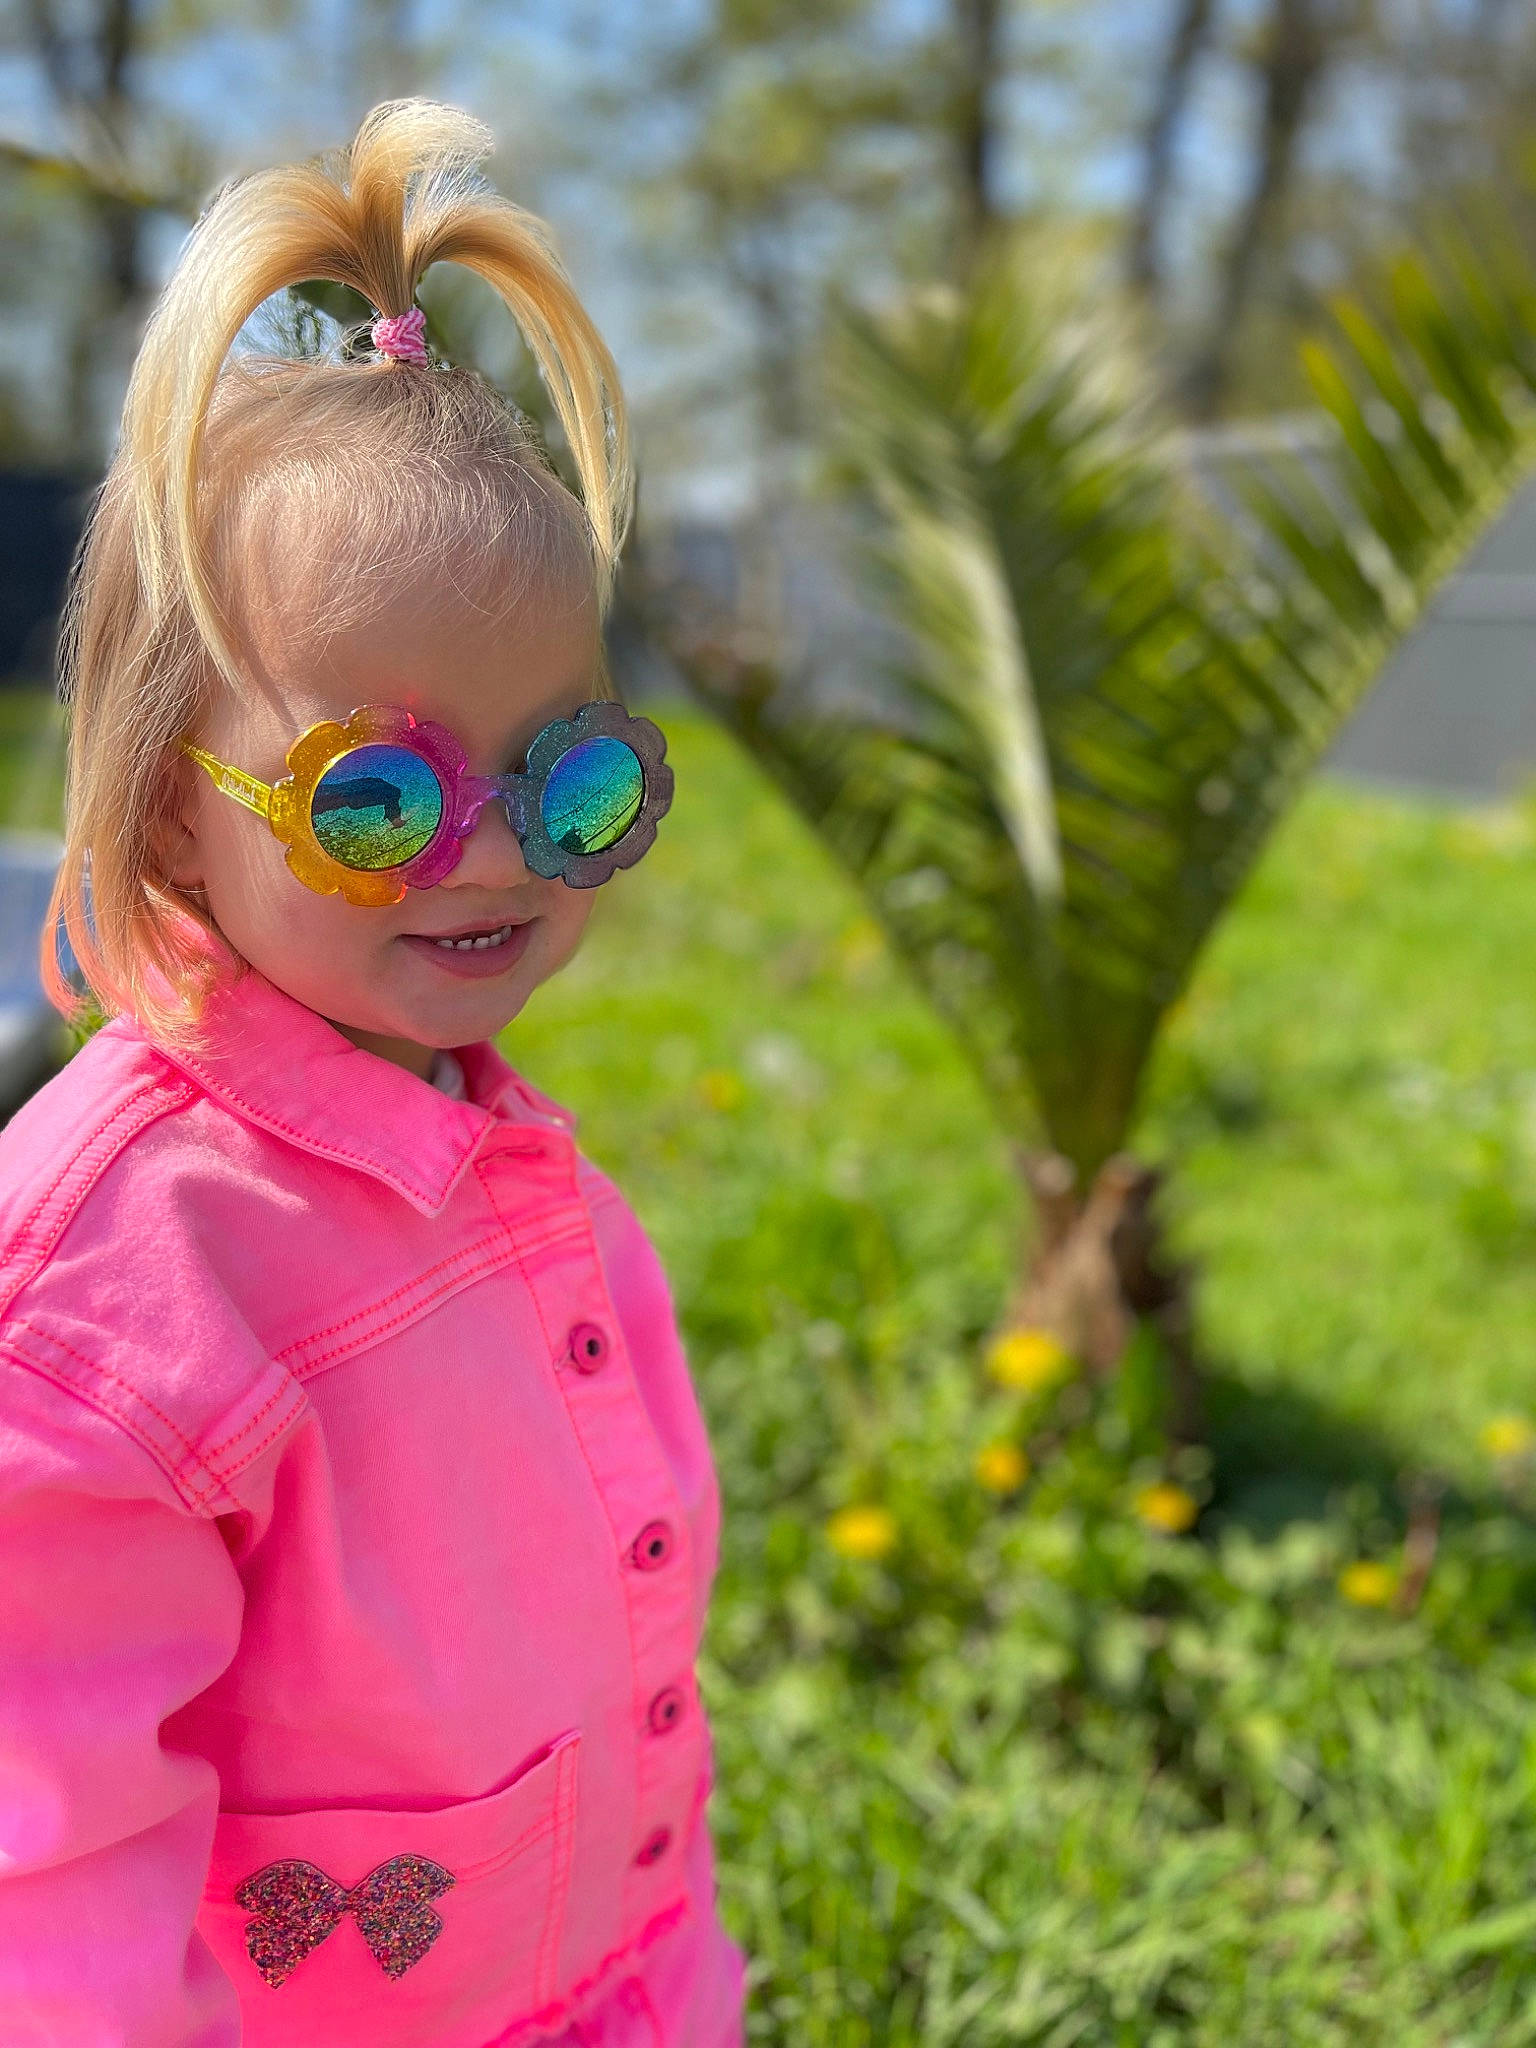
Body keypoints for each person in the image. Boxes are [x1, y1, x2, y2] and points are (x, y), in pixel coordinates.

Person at [0, 98, 747, 2048]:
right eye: (379, 797)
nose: (489, 853)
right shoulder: (120, 1291)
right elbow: (50, 1875)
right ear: (175, 819)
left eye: (568, 779)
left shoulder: (494, 1141)